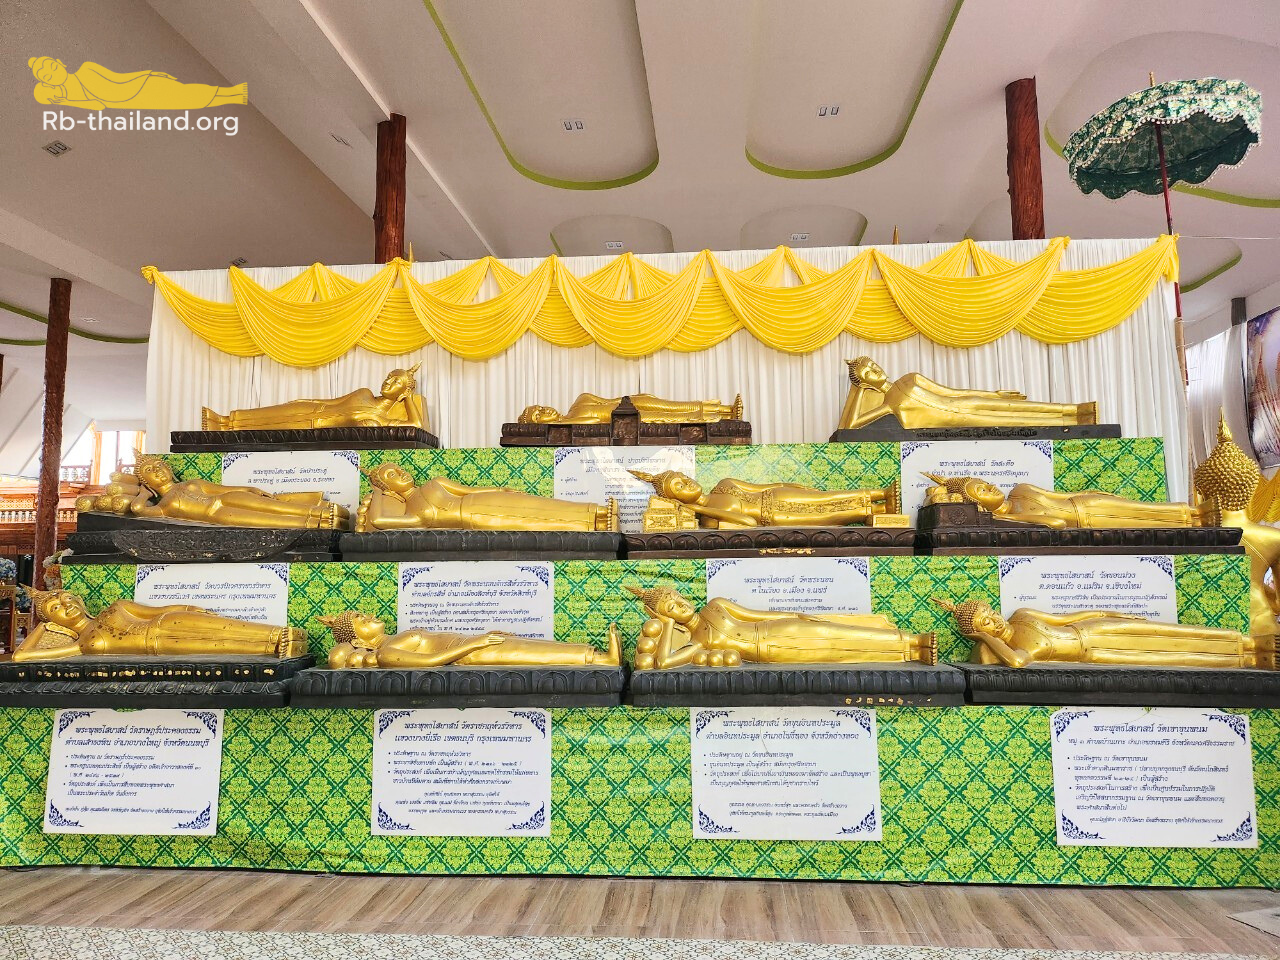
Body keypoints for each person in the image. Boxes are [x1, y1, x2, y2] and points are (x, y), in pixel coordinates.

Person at [628, 585, 936, 670]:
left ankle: (911, 640)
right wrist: (666, 624)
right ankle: (909, 652)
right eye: (671, 609)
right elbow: (664, 662)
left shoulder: (716, 605)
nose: (680, 606)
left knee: (837, 633)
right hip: (768, 652)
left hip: (777, 629)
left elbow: (755, 614)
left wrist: (796, 614)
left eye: (677, 599)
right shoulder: (697, 642)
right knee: (834, 652)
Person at [14, 588, 306, 662]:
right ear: (54, 621)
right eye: (55, 609)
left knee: (228, 628)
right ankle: (275, 646)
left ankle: (281, 634)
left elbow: (155, 610)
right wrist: (41, 628)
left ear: (78, 597)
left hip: (166, 621)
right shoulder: (82, 644)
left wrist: (188, 608)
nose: (66, 605)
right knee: (220, 645)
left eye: (66, 598)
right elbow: (21, 656)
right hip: (156, 645)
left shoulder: (116, 606)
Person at [321, 610, 620, 669]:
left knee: (536, 647)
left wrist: (477, 638)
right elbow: (432, 662)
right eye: (361, 620)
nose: (369, 616)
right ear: (358, 640)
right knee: (533, 655)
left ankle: (596, 656)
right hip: (468, 653)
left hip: (472, 643)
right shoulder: (386, 652)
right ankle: (601, 660)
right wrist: (474, 645)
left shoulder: (394, 638)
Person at [30, 57, 246, 111]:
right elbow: (98, 106)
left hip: (140, 86)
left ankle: (234, 93)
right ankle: (235, 96)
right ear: (45, 81)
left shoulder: (87, 68)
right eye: (46, 76)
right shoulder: (72, 96)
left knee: (184, 92)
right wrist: (66, 101)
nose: (52, 74)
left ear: (60, 63)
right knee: (187, 102)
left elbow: (119, 78)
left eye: (52, 67)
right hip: (134, 101)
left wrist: (149, 73)